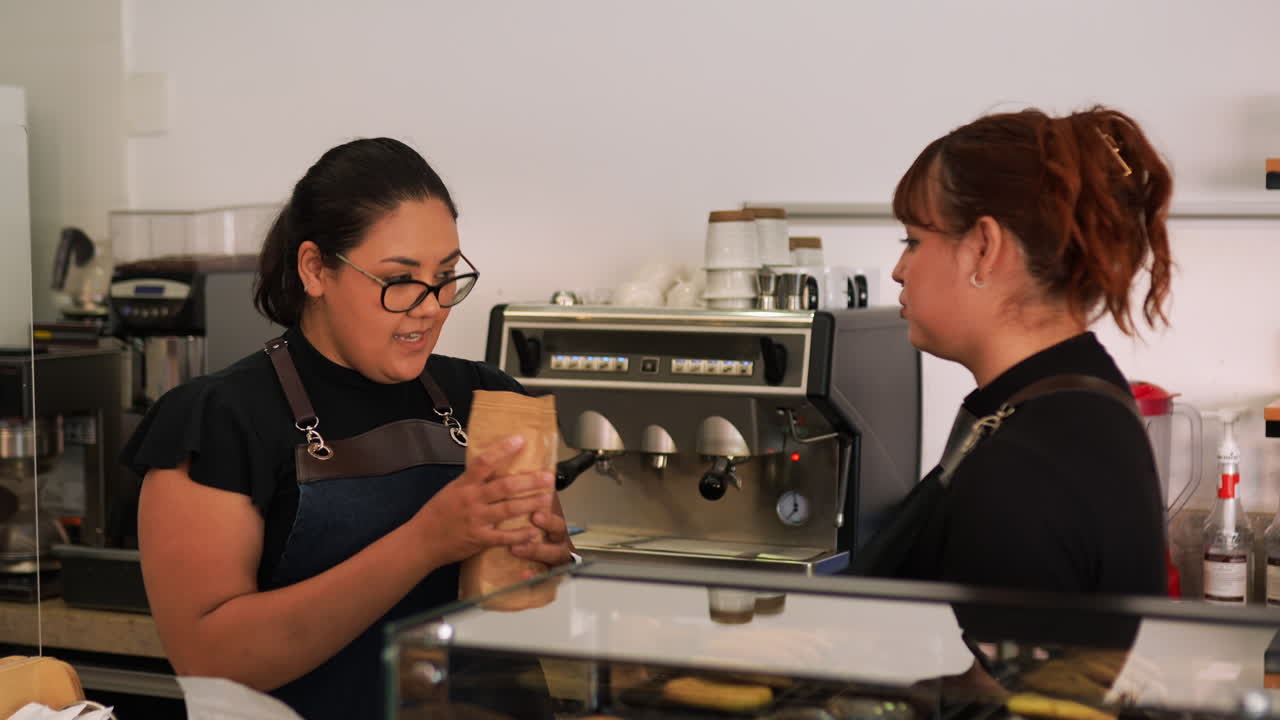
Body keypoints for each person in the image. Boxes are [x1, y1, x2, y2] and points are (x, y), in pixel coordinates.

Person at [123, 138, 572, 719]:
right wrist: (426, 541)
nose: (431, 306)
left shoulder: (491, 399)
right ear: (315, 269)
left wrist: (551, 565)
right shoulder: (218, 420)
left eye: (445, 276)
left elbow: (535, 620)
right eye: (400, 279)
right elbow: (211, 659)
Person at [881, 106, 1172, 595]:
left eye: (913, 240)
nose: (898, 269)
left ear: (983, 249)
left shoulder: (1023, 468)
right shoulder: (1078, 398)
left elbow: (1002, 672)